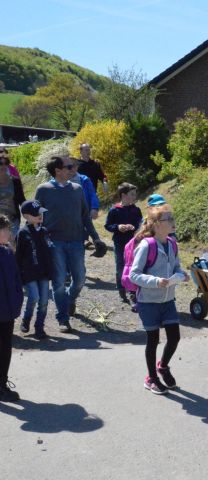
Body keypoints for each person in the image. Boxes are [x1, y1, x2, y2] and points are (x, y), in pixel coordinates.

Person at [35, 155, 105, 332]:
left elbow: (85, 216)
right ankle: (63, 318)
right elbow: (35, 218)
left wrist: (96, 238)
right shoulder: (43, 190)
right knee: (59, 282)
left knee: (80, 278)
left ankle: (68, 300)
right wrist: (36, 241)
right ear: (58, 171)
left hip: (76, 240)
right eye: (69, 166)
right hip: (54, 241)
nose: (74, 168)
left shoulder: (77, 189)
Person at [129, 204, 188, 394]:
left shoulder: (172, 243)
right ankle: (151, 378)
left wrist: (181, 274)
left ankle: (162, 366)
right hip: (148, 301)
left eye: (172, 218)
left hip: (168, 300)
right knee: (153, 340)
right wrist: (156, 281)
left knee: (174, 337)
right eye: (168, 219)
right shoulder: (146, 245)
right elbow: (134, 275)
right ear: (155, 224)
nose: (173, 222)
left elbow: (176, 267)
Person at [15, 200, 53, 339]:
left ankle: (39, 327)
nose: (40, 216)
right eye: (36, 214)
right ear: (26, 216)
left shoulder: (44, 231)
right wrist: (18, 275)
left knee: (44, 301)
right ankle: (26, 320)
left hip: (43, 273)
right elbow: (18, 256)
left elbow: (49, 252)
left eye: (41, 213)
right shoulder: (22, 233)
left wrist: (52, 270)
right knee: (34, 297)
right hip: (29, 274)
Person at [105, 183, 143, 303]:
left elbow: (141, 224)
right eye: (132, 194)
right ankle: (121, 289)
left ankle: (133, 291)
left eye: (135, 194)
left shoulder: (136, 210)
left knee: (134, 265)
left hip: (134, 243)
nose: (134, 196)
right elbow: (108, 225)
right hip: (120, 243)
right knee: (120, 265)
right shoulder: (114, 210)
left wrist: (135, 228)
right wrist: (118, 227)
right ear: (123, 195)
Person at [0, 214, 23, 402]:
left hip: (7, 311)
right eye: (6, 229)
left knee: (5, 347)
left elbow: (15, 278)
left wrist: (17, 300)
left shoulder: (7, 251)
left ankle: (1, 384)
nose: (10, 232)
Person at [0, 151, 26, 238]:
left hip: (13, 220)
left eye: (6, 163)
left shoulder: (15, 181)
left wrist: (30, 212)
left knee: (12, 246)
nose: (3, 166)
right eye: (0, 163)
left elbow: (22, 199)